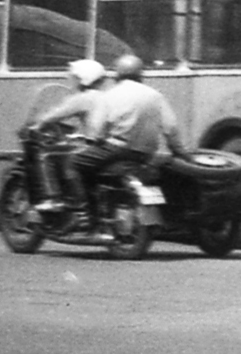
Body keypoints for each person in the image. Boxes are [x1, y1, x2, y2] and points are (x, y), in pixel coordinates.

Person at [70, 54, 190, 230]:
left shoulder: (109, 96)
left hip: (115, 149)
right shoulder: (155, 96)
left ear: (117, 75)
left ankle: (83, 213)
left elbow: (96, 129)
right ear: (140, 75)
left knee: (73, 163)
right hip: (145, 153)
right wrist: (180, 151)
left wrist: (94, 140)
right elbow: (170, 127)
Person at [25, 59, 112, 214]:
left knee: (48, 155)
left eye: (75, 78)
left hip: (92, 145)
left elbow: (55, 115)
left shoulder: (84, 98)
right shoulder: (106, 96)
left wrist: (37, 125)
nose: (72, 81)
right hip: (107, 146)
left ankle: (55, 199)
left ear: (84, 79)